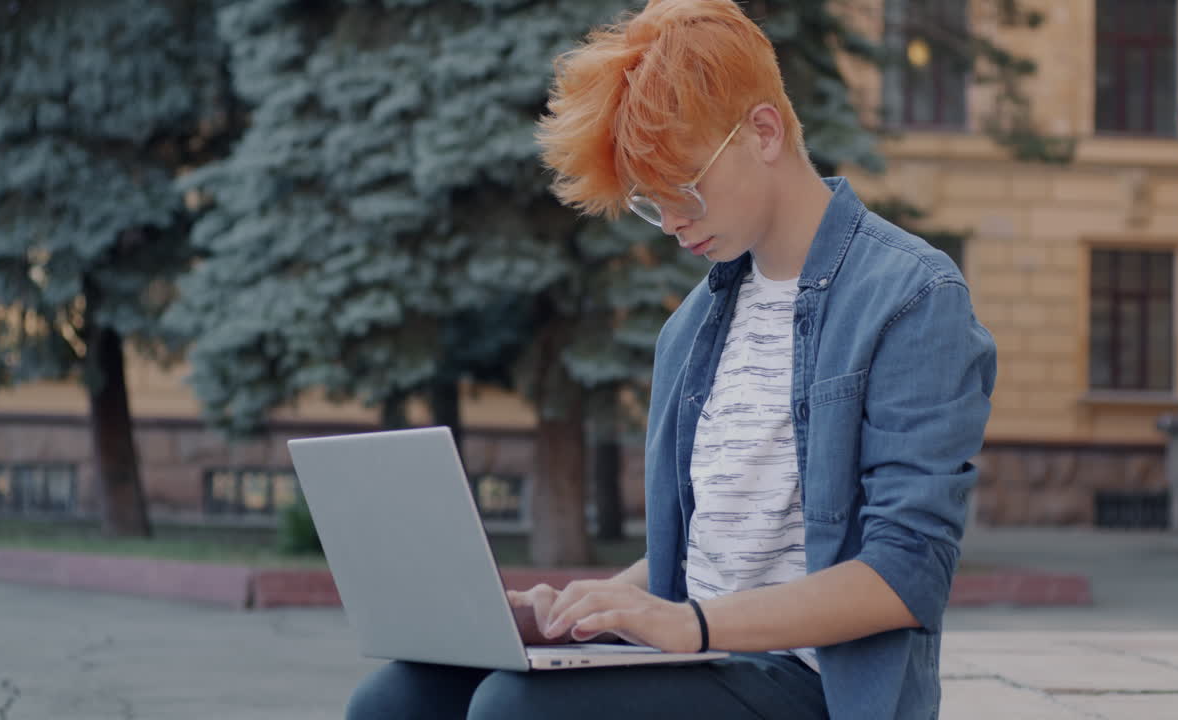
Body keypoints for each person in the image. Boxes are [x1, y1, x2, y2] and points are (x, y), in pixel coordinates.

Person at [345, 0, 996, 718]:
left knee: (515, 710)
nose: (674, 221)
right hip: (700, 657)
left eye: (683, 186)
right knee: (399, 698)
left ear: (764, 131)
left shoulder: (911, 296)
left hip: (813, 684)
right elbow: (701, 562)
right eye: (653, 203)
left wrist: (689, 625)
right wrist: (583, 608)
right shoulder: (692, 327)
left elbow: (905, 575)